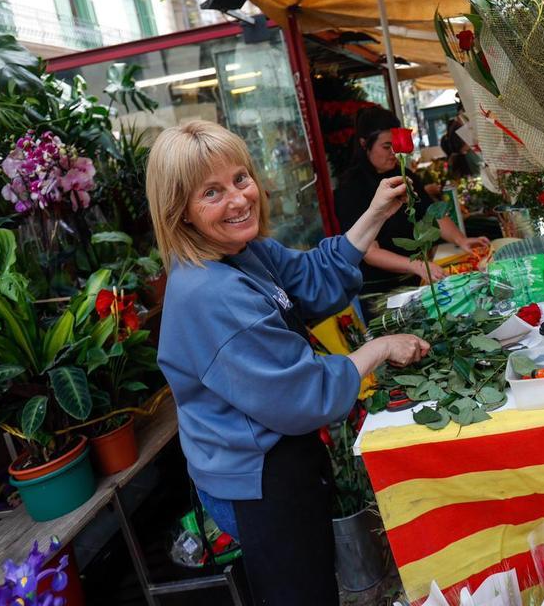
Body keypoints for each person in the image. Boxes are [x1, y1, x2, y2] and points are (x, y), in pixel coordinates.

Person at [146, 120, 430, 605]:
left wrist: (375, 213)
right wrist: (380, 348)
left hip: (278, 454)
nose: (238, 199)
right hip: (257, 475)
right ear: (181, 213)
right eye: (211, 192)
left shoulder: (244, 253)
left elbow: (312, 277)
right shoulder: (210, 293)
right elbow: (301, 395)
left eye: (240, 178)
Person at [334, 107, 489, 294]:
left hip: (419, 275)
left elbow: (432, 213)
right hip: (381, 289)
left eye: (395, 146)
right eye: (386, 146)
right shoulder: (350, 188)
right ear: (364, 144)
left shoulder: (404, 175)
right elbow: (370, 252)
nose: (393, 152)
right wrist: (416, 265)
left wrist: (461, 240)